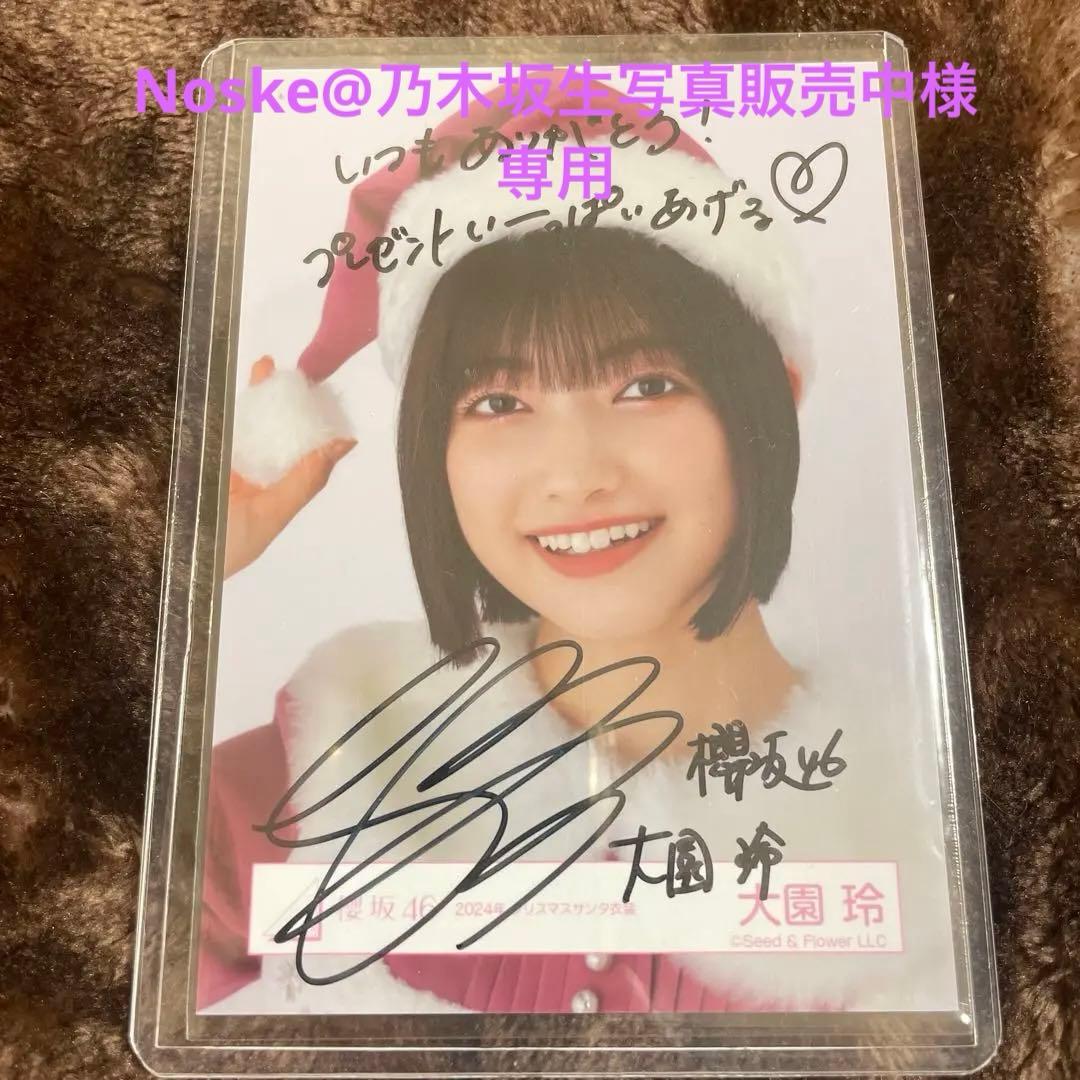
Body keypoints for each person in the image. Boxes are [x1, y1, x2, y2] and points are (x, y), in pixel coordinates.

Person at [197, 84, 956, 1016]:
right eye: (497, 402)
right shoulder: (328, 767)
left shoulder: (936, 830)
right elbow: (69, 958)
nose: (575, 475)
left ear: (772, 397)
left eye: (646, 386)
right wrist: (169, 572)